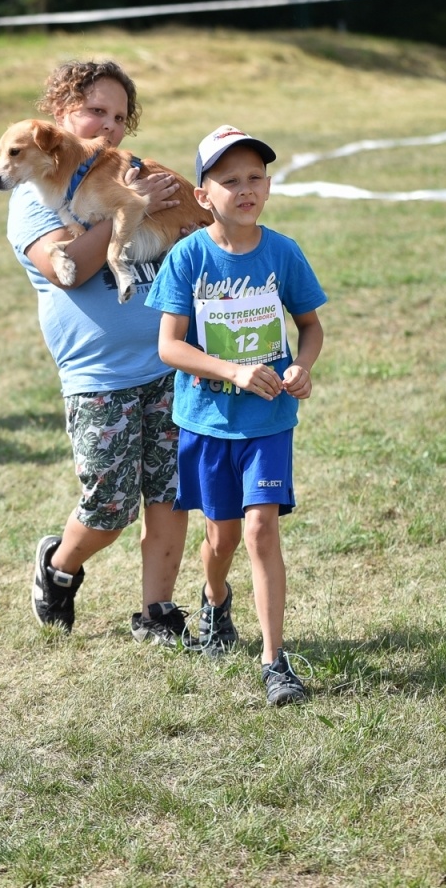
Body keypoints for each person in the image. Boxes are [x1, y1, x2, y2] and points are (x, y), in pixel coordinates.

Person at [11, 59, 193, 643]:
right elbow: (69, 269)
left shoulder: (123, 175)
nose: (108, 126)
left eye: (119, 116)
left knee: (171, 492)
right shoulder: (35, 195)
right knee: (111, 505)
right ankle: (60, 567)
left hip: (169, 360)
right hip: (98, 374)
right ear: (59, 117)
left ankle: (158, 612)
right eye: (95, 111)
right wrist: (131, 203)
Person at [147, 126, 326, 707]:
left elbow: (311, 326)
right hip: (206, 420)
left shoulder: (283, 253)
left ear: (268, 186)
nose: (244, 189)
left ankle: (276, 662)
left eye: (254, 178)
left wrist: (300, 367)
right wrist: (233, 370)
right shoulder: (188, 256)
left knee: (259, 529)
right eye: (229, 181)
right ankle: (216, 601)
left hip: (268, 423)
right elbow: (169, 348)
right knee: (220, 538)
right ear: (204, 196)